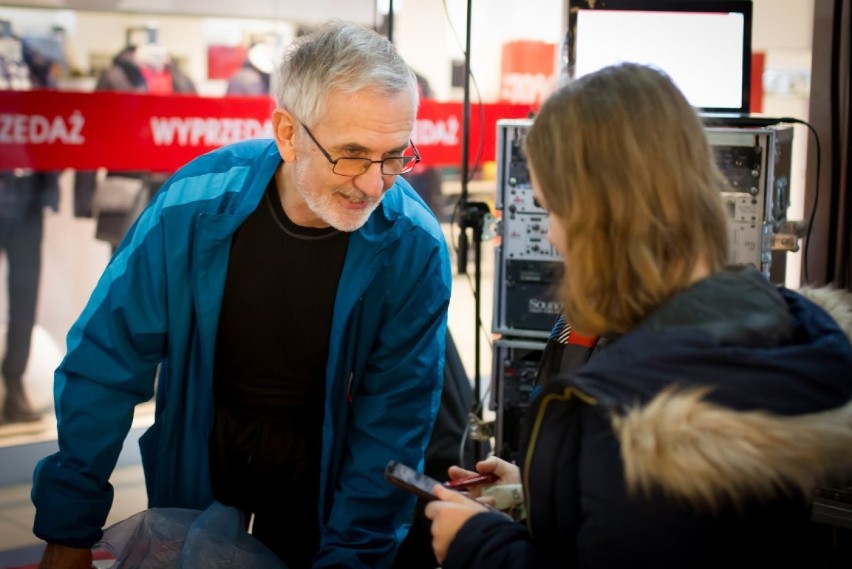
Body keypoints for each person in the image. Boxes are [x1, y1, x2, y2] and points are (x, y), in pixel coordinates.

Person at [32, 20, 452, 569]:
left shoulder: (411, 246)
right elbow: (106, 361)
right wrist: (69, 526)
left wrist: (354, 556)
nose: (374, 183)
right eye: (351, 153)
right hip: (203, 453)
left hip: (332, 472)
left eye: (396, 156)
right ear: (287, 133)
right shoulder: (192, 208)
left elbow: (393, 423)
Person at [425, 62, 852, 568]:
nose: (555, 236)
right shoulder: (789, 328)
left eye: (553, 209)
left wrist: (479, 545)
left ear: (594, 216)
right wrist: (545, 489)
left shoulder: (632, 409)